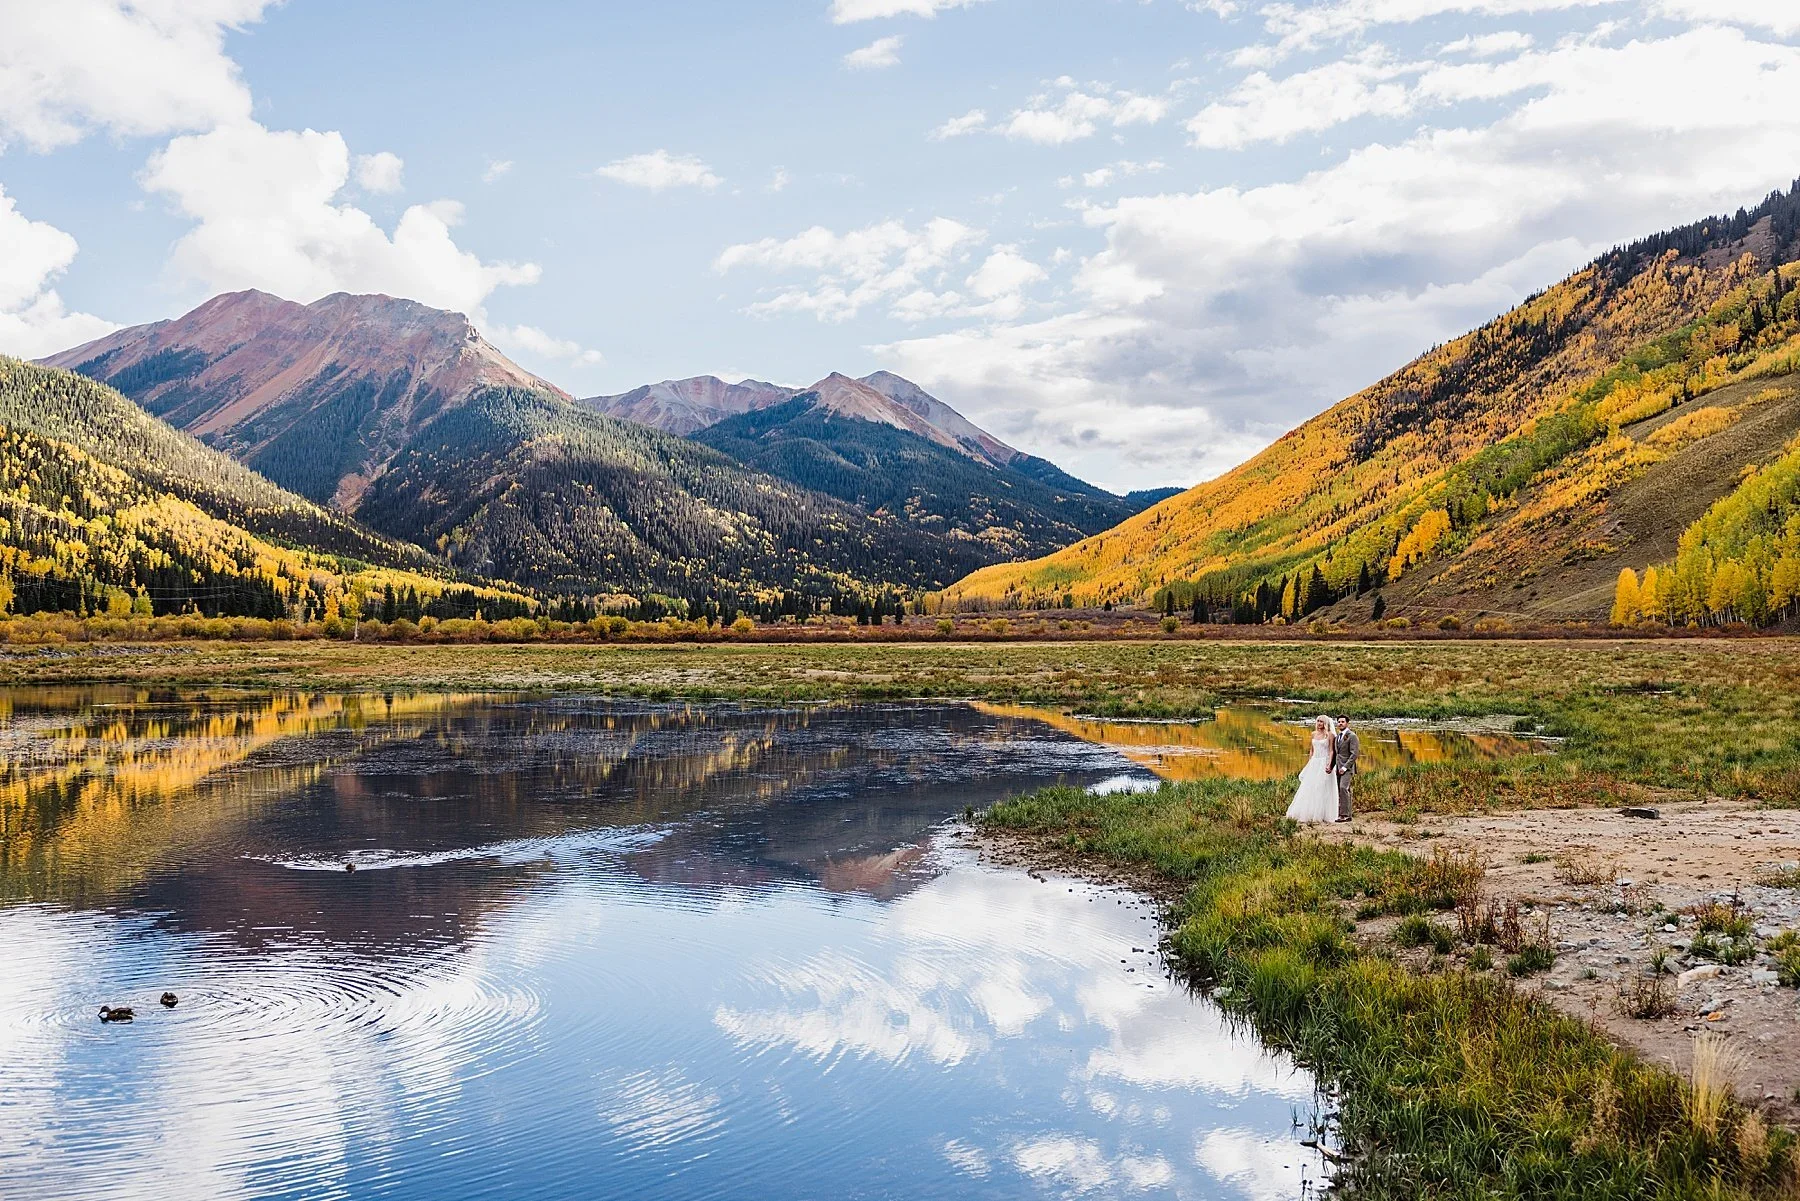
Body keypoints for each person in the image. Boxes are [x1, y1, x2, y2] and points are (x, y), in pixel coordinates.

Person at [1284, 716, 1340, 824]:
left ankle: (1322, 813)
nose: (1319, 723)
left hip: (1324, 762)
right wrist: (1310, 762)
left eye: (1321, 722)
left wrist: (1329, 764)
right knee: (1309, 786)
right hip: (1314, 762)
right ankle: (1307, 811)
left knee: (1322, 786)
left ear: (1326, 723)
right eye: (1318, 721)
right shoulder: (1313, 734)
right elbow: (1311, 750)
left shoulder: (1330, 735)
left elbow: (1331, 751)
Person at [1334, 715, 1361, 822]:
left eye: (1342, 722)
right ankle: (1347, 815)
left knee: (1343, 788)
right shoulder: (1337, 737)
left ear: (1347, 723)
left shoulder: (1352, 736)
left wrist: (1345, 767)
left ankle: (1344, 815)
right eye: (1339, 722)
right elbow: (1337, 754)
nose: (1340, 723)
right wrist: (1331, 767)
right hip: (1338, 767)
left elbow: (1354, 754)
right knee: (1343, 790)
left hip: (1347, 768)